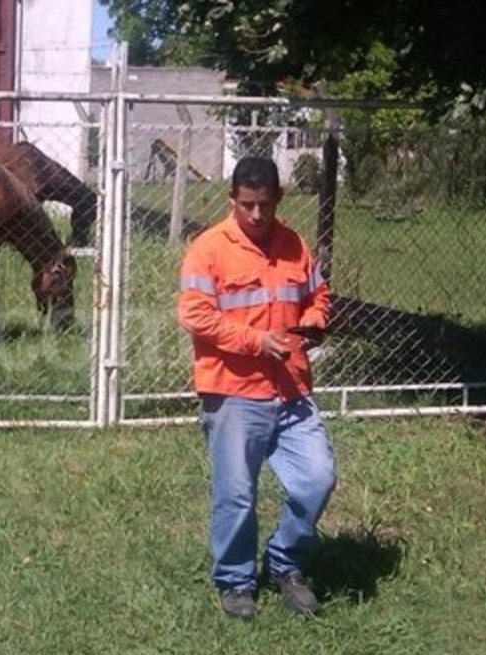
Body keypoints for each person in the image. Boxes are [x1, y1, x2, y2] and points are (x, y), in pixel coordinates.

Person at [176, 156, 336, 619]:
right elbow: (195, 315)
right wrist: (255, 340)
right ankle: (236, 581)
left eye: (265, 204)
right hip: (232, 391)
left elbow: (318, 296)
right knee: (237, 493)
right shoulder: (208, 249)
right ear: (232, 199)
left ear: (278, 198)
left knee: (317, 478)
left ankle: (285, 564)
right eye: (247, 205)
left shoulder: (294, 244)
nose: (257, 214)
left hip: (291, 389)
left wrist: (314, 320)